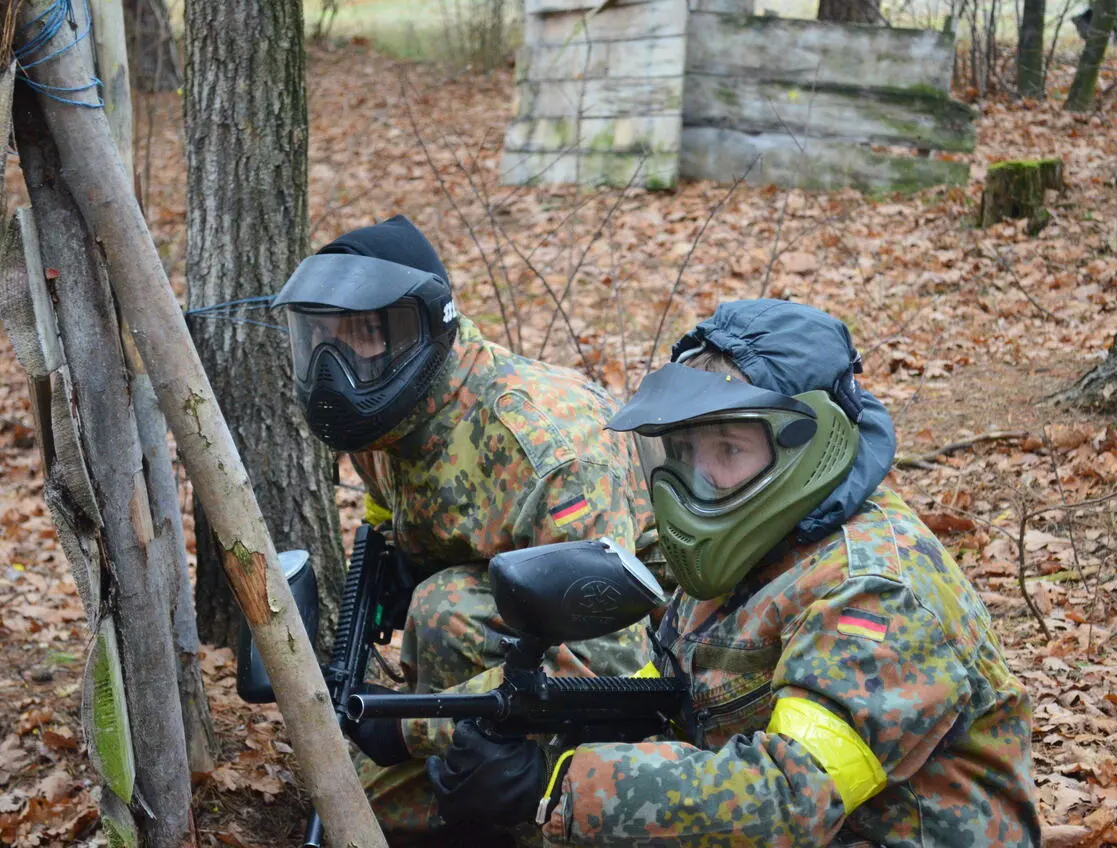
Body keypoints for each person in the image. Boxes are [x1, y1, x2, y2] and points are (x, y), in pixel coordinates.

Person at [425, 299, 1041, 847]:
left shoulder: (877, 588)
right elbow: (660, 693)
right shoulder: (752, 550)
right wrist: (513, 724)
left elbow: (790, 798)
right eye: (686, 451)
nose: (700, 477)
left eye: (728, 449)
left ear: (808, 444)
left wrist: (561, 789)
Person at [273, 214, 660, 842]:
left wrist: (409, 725)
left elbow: (612, 658)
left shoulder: (549, 450)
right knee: (351, 810)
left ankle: (537, 803)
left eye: (365, 333)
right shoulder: (386, 421)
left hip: (635, 675)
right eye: (321, 339)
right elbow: (387, 513)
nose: (336, 366)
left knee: (445, 606)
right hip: (513, 646)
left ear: (422, 328)